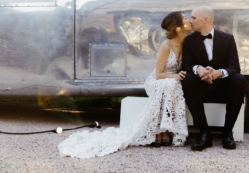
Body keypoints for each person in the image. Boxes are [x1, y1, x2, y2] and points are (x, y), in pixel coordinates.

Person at [58, 12, 191, 158]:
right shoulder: (166, 46)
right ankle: (160, 130)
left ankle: (161, 130)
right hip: (157, 80)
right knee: (169, 83)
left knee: (172, 84)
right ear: (177, 26)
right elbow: (159, 74)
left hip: (170, 81)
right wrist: (175, 76)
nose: (189, 20)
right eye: (185, 18)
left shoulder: (186, 44)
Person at [181, 6, 247, 151]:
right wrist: (198, 69)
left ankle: (227, 133)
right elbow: (186, 66)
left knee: (239, 79)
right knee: (187, 79)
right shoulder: (189, 40)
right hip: (200, 87)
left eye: (193, 18)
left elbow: (234, 67)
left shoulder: (228, 39)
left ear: (206, 20)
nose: (190, 21)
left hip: (223, 87)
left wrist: (218, 73)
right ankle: (204, 133)